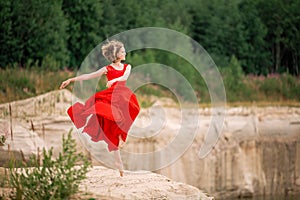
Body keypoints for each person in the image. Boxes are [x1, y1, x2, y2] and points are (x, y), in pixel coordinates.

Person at [60, 40, 140, 177]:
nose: (125, 53)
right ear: (116, 54)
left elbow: (125, 76)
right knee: (109, 121)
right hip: (111, 97)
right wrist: (71, 80)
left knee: (134, 109)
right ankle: (118, 162)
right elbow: (88, 76)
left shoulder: (127, 66)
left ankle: (121, 136)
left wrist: (113, 81)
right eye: (122, 51)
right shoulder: (107, 69)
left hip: (123, 96)